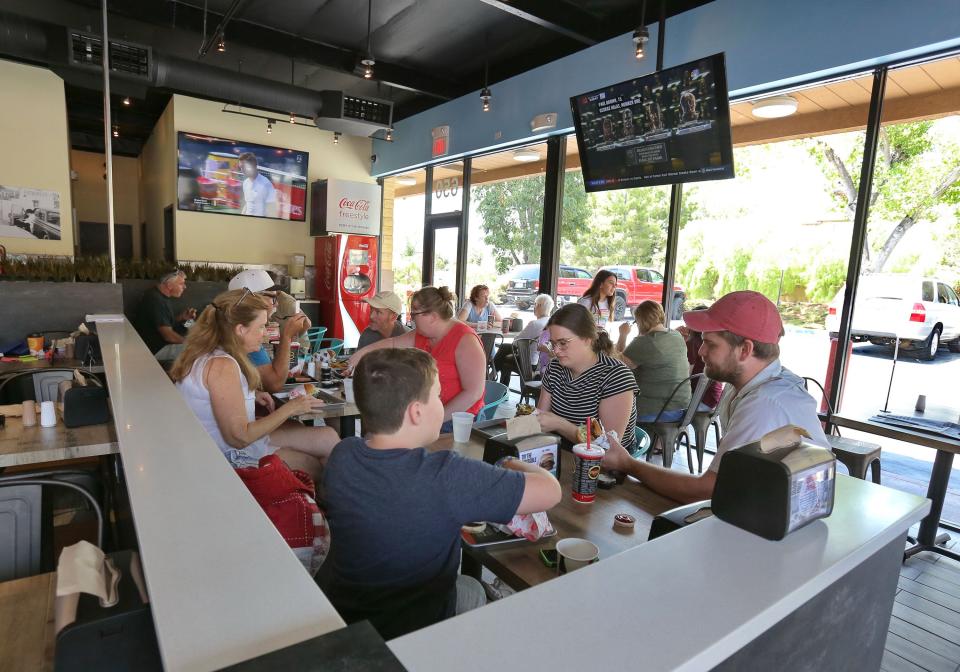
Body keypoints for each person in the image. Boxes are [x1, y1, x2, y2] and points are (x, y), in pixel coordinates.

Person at [318, 348, 561, 639]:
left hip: (347, 617)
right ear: (416, 412)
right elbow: (550, 491)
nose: (442, 402)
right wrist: (511, 461)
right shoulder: (446, 475)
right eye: (437, 395)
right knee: (472, 588)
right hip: (411, 631)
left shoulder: (342, 456)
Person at [601, 290, 830, 504]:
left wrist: (628, 463)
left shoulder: (765, 404)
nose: (700, 351)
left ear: (745, 350)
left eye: (710, 344)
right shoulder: (749, 385)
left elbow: (707, 490)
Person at [170, 289, 339, 482]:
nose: (264, 333)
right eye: (261, 327)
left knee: (328, 437)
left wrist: (252, 394)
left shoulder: (211, 352)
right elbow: (239, 438)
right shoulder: (222, 365)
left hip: (219, 444)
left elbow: (215, 395)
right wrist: (293, 407)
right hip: (227, 455)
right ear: (240, 329)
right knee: (313, 466)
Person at [348, 286, 485, 428]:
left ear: (432, 316)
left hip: (458, 420)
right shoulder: (422, 334)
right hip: (425, 412)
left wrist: (434, 420)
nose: (411, 319)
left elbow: (473, 393)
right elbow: (393, 343)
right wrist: (362, 353)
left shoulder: (466, 341)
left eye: (414, 315)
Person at [536, 303, 638, 451]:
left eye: (563, 343)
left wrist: (560, 424)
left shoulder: (616, 376)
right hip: (564, 452)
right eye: (553, 344)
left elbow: (609, 447)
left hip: (603, 467)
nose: (556, 351)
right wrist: (508, 426)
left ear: (587, 339)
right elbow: (540, 420)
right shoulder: (555, 368)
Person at [228, 269, 310, 393]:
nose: (276, 304)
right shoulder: (247, 334)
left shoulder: (233, 324)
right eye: (273, 298)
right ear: (254, 299)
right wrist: (286, 336)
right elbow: (274, 385)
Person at [617, 301, 690, 423]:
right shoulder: (676, 335)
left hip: (656, 409)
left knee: (612, 408)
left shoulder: (647, 342)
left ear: (641, 321)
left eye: (637, 321)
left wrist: (623, 334)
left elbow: (619, 366)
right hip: (681, 407)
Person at [133, 269, 197, 360]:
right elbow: (169, 336)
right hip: (156, 349)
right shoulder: (156, 300)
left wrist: (183, 318)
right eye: (181, 283)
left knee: (192, 326)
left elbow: (165, 323)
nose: (185, 287)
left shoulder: (158, 296)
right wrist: (192, 343)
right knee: (200, 350)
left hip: (160, 345)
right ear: (169, 285)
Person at [492, 293, 554, 386]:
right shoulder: (552, 323)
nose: (534, 307)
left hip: (528, 363)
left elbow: (516, 343)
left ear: (539, 306)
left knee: (505, 356)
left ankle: (493, 378)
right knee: (505, 348)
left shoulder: (534, 324)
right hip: (541, 364)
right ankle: (492, 377)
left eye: (535, 304)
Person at [678, 305, 724, 411]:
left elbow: (685, 377)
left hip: (700, 399)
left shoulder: (692, 344)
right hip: (714, 397)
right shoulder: (709, 343)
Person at [239, 152, 278, 218]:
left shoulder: (266, 184)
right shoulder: (245, 183)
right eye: (240, 167)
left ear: (253, 165)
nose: (242, 170)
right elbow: (248, 204)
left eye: (244, 167)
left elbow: (272, 210)